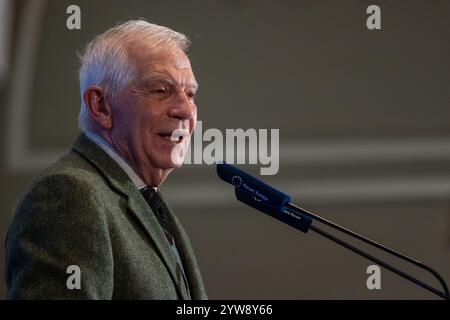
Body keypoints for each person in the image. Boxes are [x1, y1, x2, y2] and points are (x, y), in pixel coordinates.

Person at [4, 20, 207, 300]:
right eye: (161, 90)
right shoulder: (68, 197)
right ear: (100, 105)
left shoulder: (140, 198)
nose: (186, 110)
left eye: (191, 94)